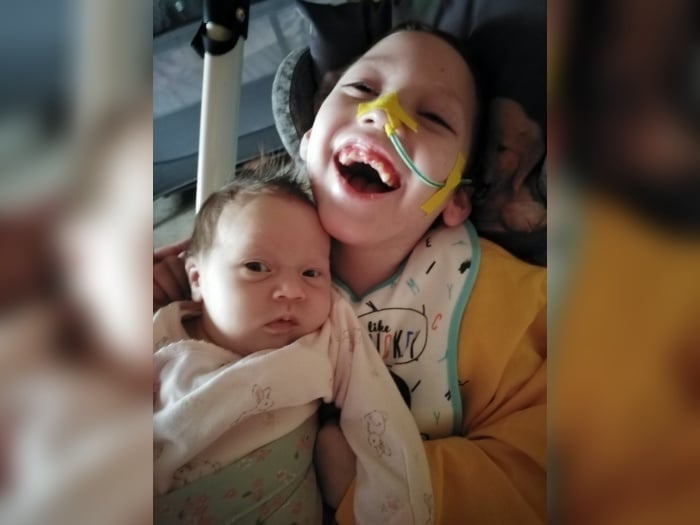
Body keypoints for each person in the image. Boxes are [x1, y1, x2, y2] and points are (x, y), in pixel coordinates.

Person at [155, 24, 546, 524]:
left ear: (455, 199)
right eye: (362, 88)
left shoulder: (512, 305)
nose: (383, 113)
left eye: (432, 116)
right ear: (309, 139)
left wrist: (373, 480)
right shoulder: (235, 245)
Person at [152, 159, 433, 525]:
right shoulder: (159, 334)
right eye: (256, 267)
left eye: (311, 273)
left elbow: (381, 414)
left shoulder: (326, 334)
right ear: (197, 278)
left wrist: (398, 512)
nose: (291, 291)